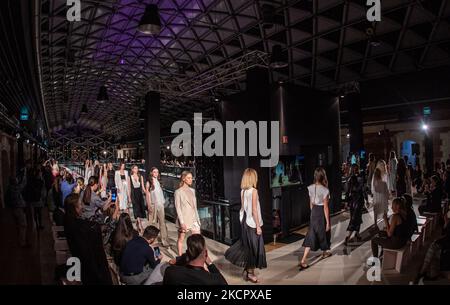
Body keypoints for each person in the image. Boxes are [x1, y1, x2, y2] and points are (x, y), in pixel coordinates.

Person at [224, 168, 267, 283]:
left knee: (248, 247)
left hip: (244, 222)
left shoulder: (243, 191)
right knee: (253, 249)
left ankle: (249, 271)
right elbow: (254, 209)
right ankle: (250, 273)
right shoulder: (253, 191)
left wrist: (242, 221)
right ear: (252, 178)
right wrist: (258, 226)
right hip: (252, 223)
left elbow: (243, 208)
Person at [64, 193, 113, 284]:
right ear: (74, 208)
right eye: (79, 205)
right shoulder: (77, 227)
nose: (82, 207)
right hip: (89, 267)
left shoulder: (69, 221)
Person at [299, 167, 332, 270]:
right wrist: (327, 222)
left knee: (311, 234)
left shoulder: (310, 187)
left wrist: (312, 214)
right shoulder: (325, 189)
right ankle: (324, 252)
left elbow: (311, 204)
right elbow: (326, 207)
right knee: (324, 232)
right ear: (323, 176)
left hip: (314, 212)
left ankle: (304, 259)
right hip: (321, 212)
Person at [163, 234, 227, 285]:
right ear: (206, 254)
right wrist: (210, 264)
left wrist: (181, 259)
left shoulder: (170, 272)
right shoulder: (212, 280)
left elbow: (172, 263)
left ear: (187, 253)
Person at [175, 171, 201, 256]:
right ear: (184, 179)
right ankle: (179, 257)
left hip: (194, 219)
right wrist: (182, 222)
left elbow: (194, 207)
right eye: (189, 178)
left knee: (198, 240)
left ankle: (196, 256)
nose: (191, 180)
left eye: (191, 178)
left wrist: (198, 219)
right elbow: (178, 208)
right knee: (181, 239)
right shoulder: (178, 192)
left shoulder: (192, 191)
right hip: (185, 219)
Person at [146, 167, 170, 247]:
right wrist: (149, 204)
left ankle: (165, 241)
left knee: (162, 223)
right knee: (152, 223)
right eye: (154, 172)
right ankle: (151, 239)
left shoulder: (158, 182)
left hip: (160, 204)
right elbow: (147, 195)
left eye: (157, 172)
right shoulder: (149, 182)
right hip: (153, 204)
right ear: (151, 173)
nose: (156, 173)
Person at [344, 164, 364, 245]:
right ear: (358, 169)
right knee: (356, 217)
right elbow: (362, 190)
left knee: (354, 217)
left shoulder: (349, 179)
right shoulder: (360, 178)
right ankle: (348, 236)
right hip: (359, 200)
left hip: (352, 201)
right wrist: (366, 199)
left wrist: (346, 202)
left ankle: (357, 233)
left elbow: (347, 191)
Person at [5, 176, 28, 247]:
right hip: (18, 209)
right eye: (16, 180)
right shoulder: (15, 189)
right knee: (23, 225)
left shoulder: (9, 189)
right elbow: (23, 184)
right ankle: (22, 242)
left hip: (14, 209)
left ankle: (20, 241)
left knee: (18, 225)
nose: (17, 181)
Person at [129, 165, 147, 233]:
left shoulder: (140, 176)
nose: (136, 169)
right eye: (135, 168)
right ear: (132, 169)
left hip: (139, 194)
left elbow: (143, 187)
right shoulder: (130, 177)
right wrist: (129, 197)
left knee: (139, 209)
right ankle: (140, 225)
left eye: (137, 168)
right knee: (136, 209)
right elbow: (129, 187)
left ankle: (137, 223)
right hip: (133, 194)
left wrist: (147, 192)